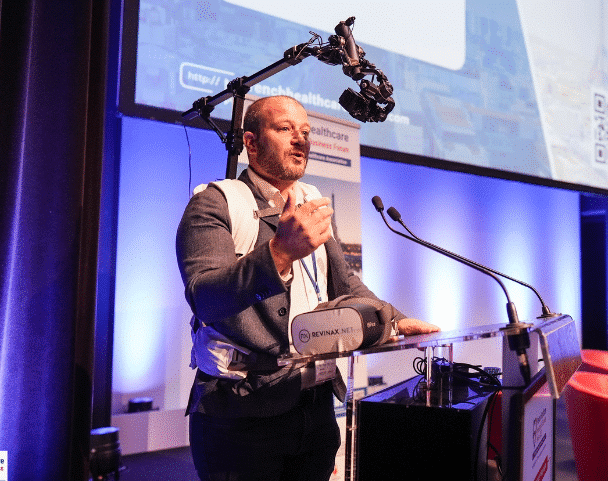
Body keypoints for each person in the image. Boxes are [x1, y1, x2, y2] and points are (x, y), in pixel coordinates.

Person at [176, 95, 439, 481]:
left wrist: (396, 321)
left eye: (305, 132)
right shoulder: (214, 204)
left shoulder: (310, 202)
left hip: (313, 407)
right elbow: (206, 297)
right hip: (240, 415)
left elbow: (344, 283)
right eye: (285, 129)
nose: (301, 140)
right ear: (250, 142)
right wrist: (279, 252)